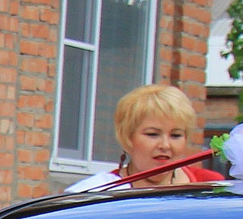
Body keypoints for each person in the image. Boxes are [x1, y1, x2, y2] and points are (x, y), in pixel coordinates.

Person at [66, 82, 225, 192]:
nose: (165, 145)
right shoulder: (102, 191)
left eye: (175, 135)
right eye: (153, 134)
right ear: (128, 138)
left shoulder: (209, 185)